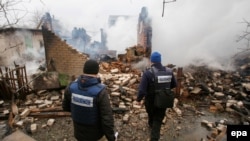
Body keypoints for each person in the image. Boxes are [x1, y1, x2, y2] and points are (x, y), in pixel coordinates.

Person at [62, 59, 115, 141]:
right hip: (95, 136)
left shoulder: (71, 87)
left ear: (84, 70)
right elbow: (107, 119)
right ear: (97, 72)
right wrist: (111, 138)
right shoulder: (100, 91)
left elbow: (65, 107)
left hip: (78, 133)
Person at [136, 52, 177, 141]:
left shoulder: (147, 73)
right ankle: (153, 125)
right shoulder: (169, 71)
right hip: (163, 100)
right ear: (160, 61)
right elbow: (174, 84)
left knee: (152, 115)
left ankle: (153, 135)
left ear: (151, 61)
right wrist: (164, 88)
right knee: (158, 118)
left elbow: (142, 90)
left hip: (150, 101)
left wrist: (138, 99)